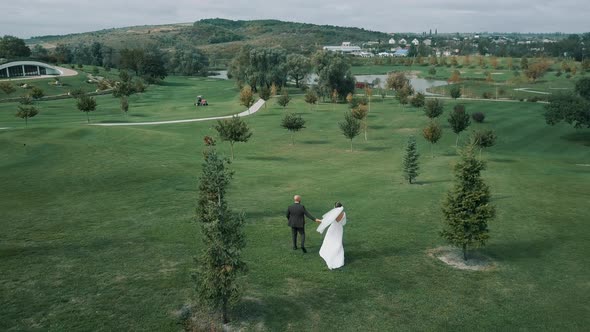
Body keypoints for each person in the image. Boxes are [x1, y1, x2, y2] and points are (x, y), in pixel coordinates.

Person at [318, 202, 346, 269]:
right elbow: (343, 222)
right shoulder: (344, 213)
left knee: (329, 241)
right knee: (338, 242)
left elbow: (327, 221)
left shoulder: (334, 214)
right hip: (339, 229)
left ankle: (329, 254)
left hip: (333, 229)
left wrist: (320, 220)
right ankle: (338, 256)